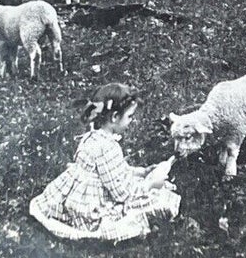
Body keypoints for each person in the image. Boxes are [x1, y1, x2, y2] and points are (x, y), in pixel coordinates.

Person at [29, 83, 181, 242]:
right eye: (129, 116)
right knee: (157, 197)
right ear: (115, 117)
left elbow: (111, 171)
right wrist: (150, 184)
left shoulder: (91, 136)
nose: (131, 121)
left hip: (79, 192)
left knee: (146, 184)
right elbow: (122, 193)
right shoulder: (108, 147)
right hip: (89, 204)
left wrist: (141, 172)